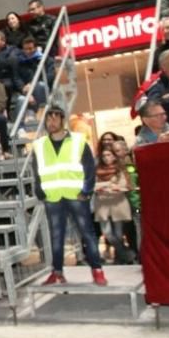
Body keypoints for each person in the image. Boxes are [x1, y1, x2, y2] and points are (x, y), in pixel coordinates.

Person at [34, 106, 108, 286]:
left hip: (76, 195)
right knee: (56, 237)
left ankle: (97, 270)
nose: (51, 123)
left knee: (87, 234)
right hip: (52, 196)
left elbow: (89, 168)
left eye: (54, 119)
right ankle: (57, 272)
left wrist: (86, 190)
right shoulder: (40, 144)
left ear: (62, 120)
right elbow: (36, 170)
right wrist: (40, 190)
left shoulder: (78, 140)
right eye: (48, 120)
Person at [93, 147, 135, 265]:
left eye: (109, 155)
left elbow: (124, 185)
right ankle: (128, 254)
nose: (106, 158)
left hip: (118, 203)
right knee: (107, 233)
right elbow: (93, 186)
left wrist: (107, 187)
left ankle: (122, 258)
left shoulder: (120, 169)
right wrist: (108, 184)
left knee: (118, 233)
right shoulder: (97, 169)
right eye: (104, 155)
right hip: (102, 204)